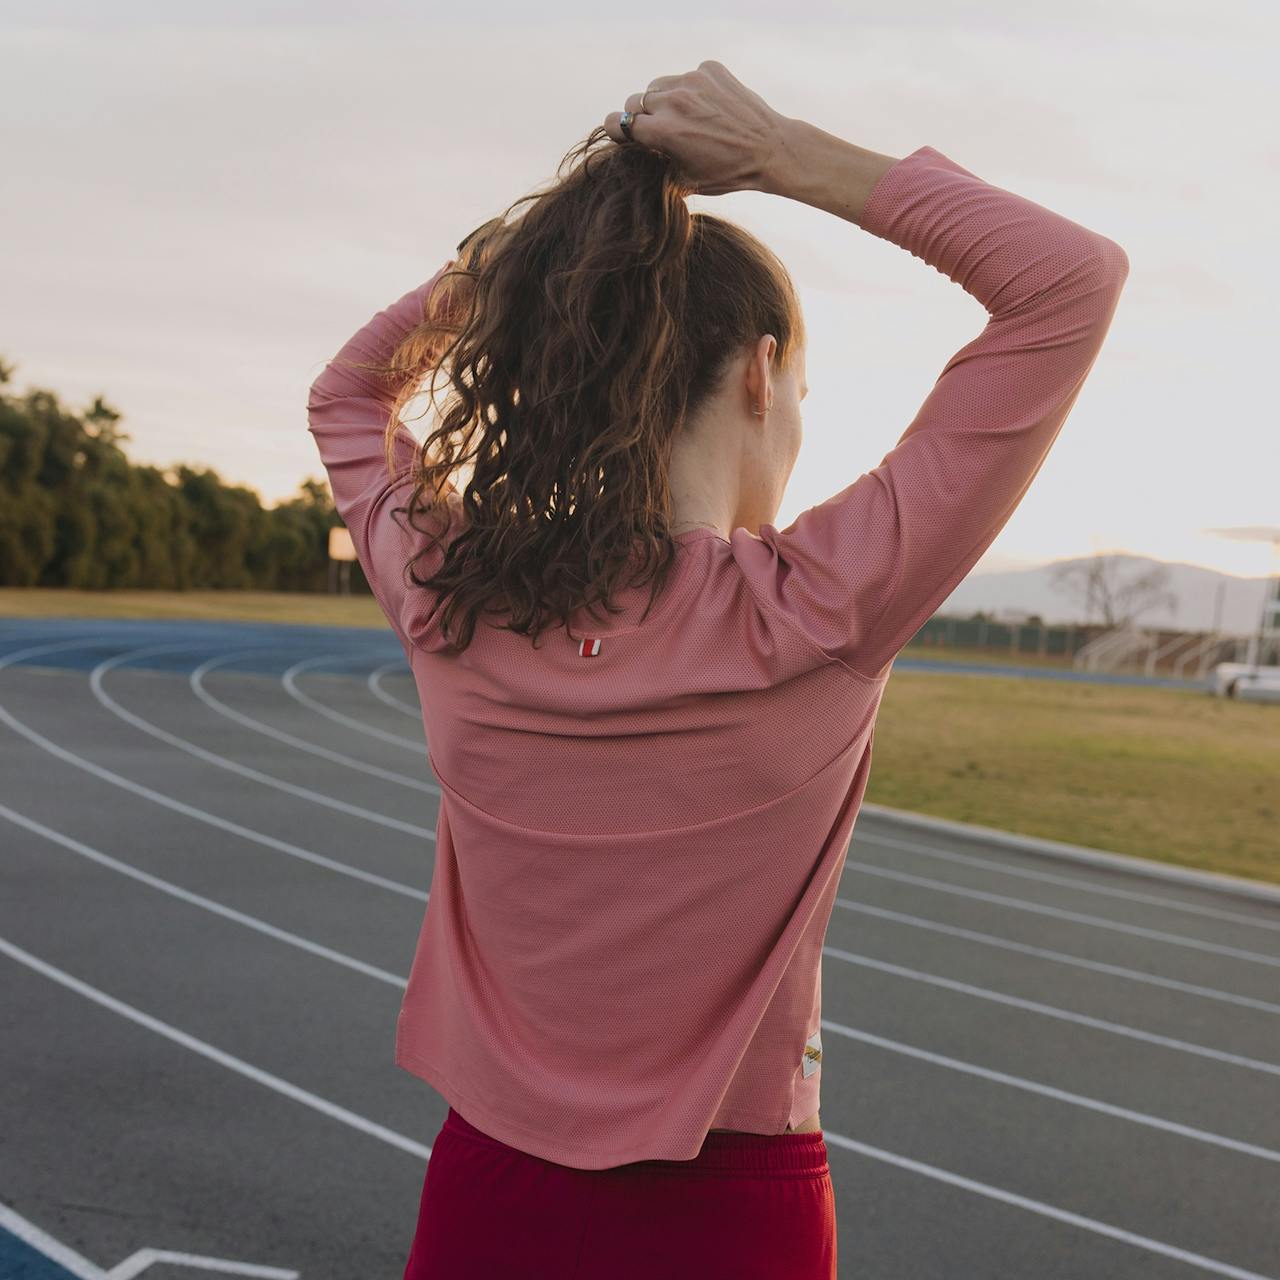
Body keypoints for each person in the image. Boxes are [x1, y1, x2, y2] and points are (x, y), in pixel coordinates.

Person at [306, 59, 1128, 1280]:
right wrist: (781, 153)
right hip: (732, 1212)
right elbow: (1068, 280)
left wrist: (537, 262)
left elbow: (348, 394)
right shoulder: (817, 608)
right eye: (798, 387)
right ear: (758, 374)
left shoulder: (449, 595)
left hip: (489, 1193)